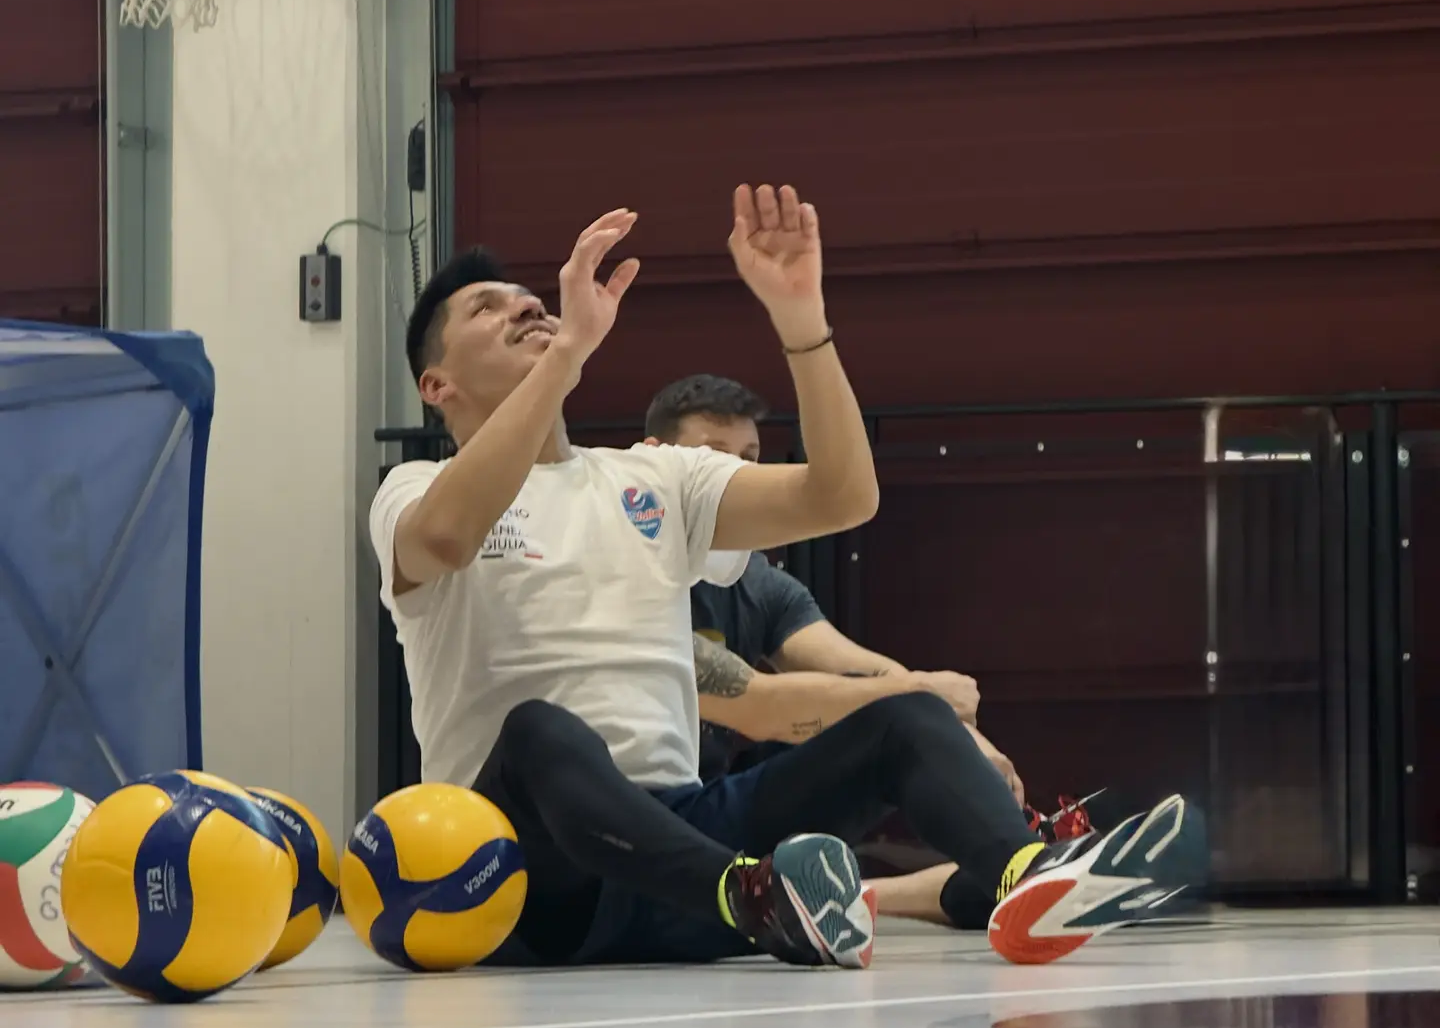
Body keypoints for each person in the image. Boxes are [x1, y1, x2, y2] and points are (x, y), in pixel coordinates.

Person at [372, 183, 1201, 972]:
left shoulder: (652, 478)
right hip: (525, 872)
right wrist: (569, 353)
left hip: (684, 848)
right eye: (487, 308)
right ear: (436, 385)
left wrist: (803, 323)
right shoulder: (412, 491)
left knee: (905, 718)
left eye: (531, 300)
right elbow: (445, 536)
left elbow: (843, 496)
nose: (526, 307)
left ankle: (1028, 876)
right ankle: (756, 897)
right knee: (537, 733)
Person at [645, 373, 1024, 806]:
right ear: (653, 460)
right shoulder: (621, 570)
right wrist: (924, 698)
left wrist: (971, 745)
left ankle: (1017, 845)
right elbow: (762, 708)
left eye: (749, 459)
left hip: (707, 798)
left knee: (881, 733)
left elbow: (866, 672)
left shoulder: (757, 583)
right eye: (714, 456)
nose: (735, 476)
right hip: (625, 812)